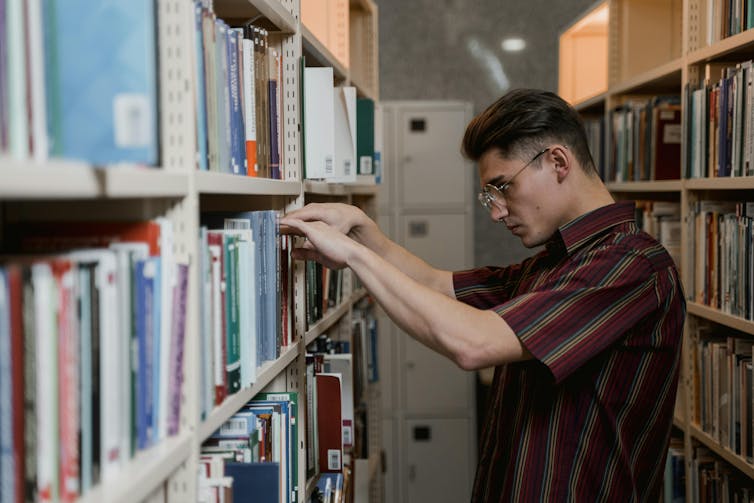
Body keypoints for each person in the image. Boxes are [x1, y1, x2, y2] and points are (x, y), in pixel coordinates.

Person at [281, 88, 686, 501]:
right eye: (489, 195)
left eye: (503, 187)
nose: (496, 211)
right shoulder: (554, 264)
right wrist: (362, 231)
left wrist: (352, 256)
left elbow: (474, 343)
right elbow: (439, 286)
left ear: (558, 162)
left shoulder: (630, 267)